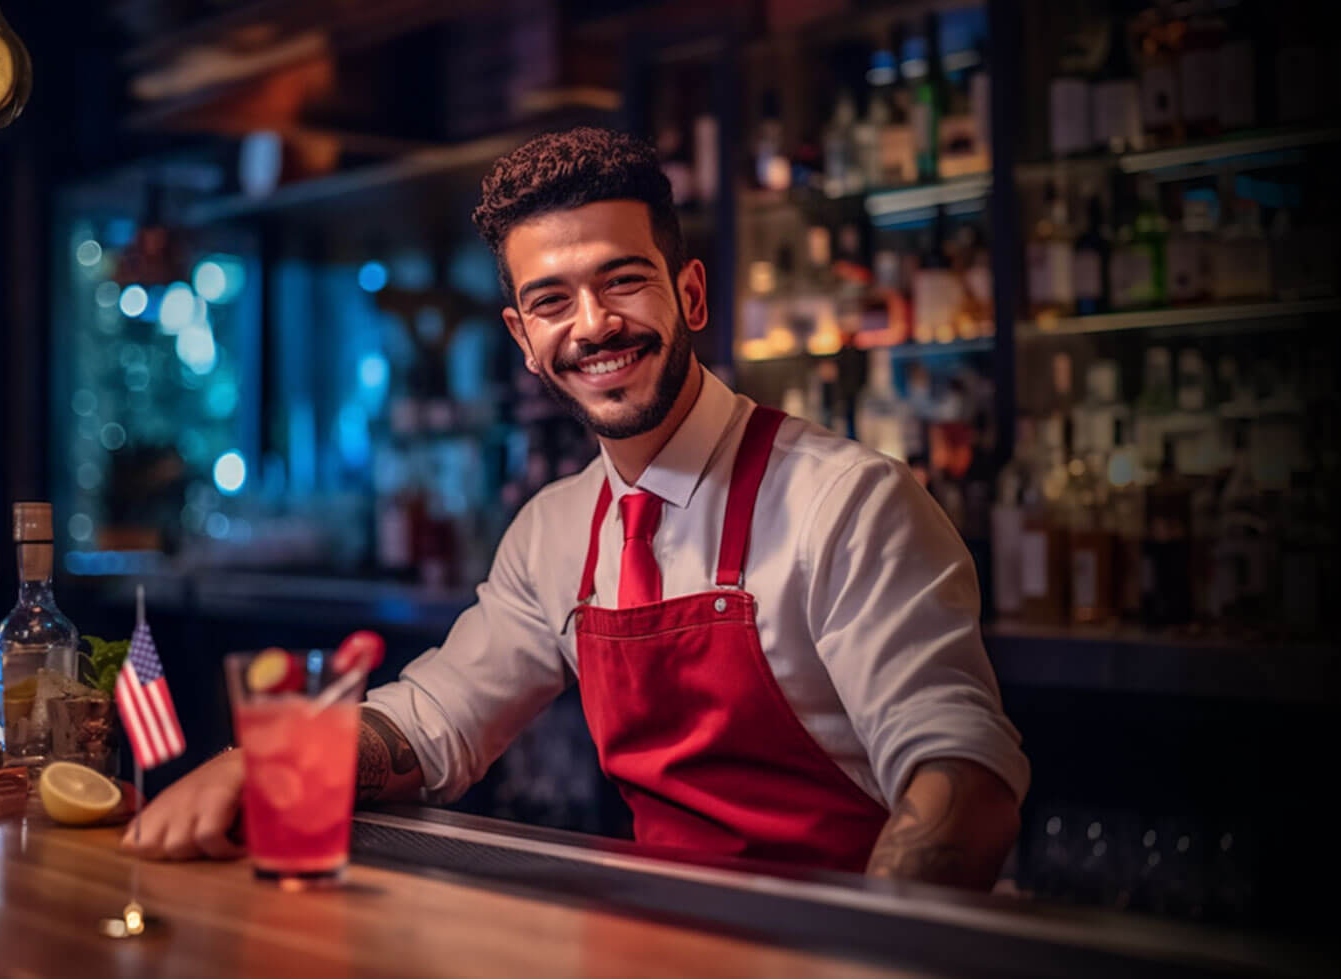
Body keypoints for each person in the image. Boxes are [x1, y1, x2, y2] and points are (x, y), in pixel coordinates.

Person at [123, 127, 1028, 889]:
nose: (591, 324)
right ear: (523, 338)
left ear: (692, 294)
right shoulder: (556, 531)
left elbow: (964, 776)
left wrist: (861, 945)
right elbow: (436, 722)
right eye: (551, 300)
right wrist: (266, 761)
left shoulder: (849, 503)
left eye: (623, 280)